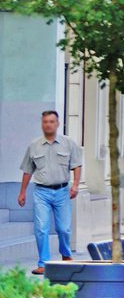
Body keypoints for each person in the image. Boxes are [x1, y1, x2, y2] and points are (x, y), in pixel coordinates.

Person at [17, 109, 83, 274]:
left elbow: (76, 165)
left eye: (51, 122)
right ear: (42, 124)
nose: (48, 125)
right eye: (45, 122)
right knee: (41, 227)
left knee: (63, 228)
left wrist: (75, 185)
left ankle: (66, 256)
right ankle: (43, 263)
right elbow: (27, 170)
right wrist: (22, 192)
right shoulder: (34, 146)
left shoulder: (68, 143)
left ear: (57, 124)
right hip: (41, 192)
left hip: (62, 192)